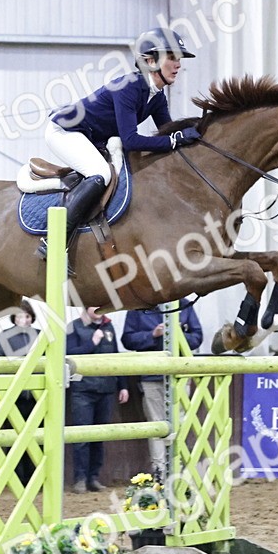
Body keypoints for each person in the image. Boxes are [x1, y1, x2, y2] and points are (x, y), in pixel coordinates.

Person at [37, 26, 201, 259]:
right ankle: (54, 240)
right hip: (65, 132)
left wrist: (195, 131)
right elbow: (131, 140)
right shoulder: (129, 88)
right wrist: (175, 140)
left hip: (93, 137)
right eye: (172, 57)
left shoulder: (157, 96)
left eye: (179, 59)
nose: (178, 64)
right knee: (101, 173)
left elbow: (168, 131)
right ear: (151, 61)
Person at [123, 302, 204, 477]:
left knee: (180, 423)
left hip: (180, 374)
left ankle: (178, 467)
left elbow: (197, 337)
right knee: (156, 424)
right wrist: (153, 334)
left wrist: (177, 334)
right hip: (151, 374)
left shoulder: (185, 304)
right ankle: (159, 470)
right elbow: (127, 340)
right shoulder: (138, 305)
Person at [65, 306, 129, 493]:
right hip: (83, 389)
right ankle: (80, 478)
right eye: (95, 305)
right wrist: (91, 344)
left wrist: (122, 385)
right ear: (86, 307)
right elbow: (69, 354)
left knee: (100, 436)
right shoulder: (74, 327)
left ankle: (93, 477)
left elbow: (116, 357)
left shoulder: (109, 327)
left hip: (106, 388)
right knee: (82, 436)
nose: (100, 309)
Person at [0, 301, 41, 486]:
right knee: (12, 438)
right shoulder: (4, 336)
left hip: (37, 396)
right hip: (13, 396)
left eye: (27, 316)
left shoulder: (40, 336)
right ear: (14, 318)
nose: (24, 320)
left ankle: (33, 479)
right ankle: (15, 478)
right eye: (21, 316)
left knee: (36, 439)